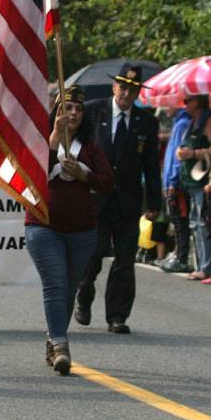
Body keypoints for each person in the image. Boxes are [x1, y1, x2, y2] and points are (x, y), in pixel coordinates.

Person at [26, 86, 114, 375]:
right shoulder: (41, 141)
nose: (73, 113)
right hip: (43, 225)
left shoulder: (91, 147)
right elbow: (31, 174)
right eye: (67, 108)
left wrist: (82, 173)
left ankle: (54, 337)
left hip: (82, 229)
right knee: (55, 285)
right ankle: (62, 345)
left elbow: (106, 182)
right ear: (56, 112)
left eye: (78, 109)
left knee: (69, 290)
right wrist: (52, 142)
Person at [74, 64, 161, 332]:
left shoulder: (147, 122)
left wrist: (154, 202)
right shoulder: (93, 110)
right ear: (114, 87)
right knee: (93, 256)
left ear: (137, 93)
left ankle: (117, 315)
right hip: (96, 197)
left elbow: (150, 165)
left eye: (132, 89)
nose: (126, 93)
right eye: (122, 87)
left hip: (128, 200)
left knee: (124, 261)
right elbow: (76, 144)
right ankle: (84, 296)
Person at [177, 94, 211, 280]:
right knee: (195, 223)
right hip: (190, 182)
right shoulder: (191, 122)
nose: (185, 104)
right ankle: (201, 263)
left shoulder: (209, 121)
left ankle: (207, 266)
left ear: (199, 102)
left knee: (203, 223)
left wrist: (194, 153)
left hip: (203, 181)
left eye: (189, 100)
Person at [159, 106, 192, 272]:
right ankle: (177, 253)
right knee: (176, 221)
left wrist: (172, 182)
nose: (165, 108)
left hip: (177, 183)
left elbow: (177, 158)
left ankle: (181, 256)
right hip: (170, 181)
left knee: (180, 222)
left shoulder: (182, 123)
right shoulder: (178, 122)